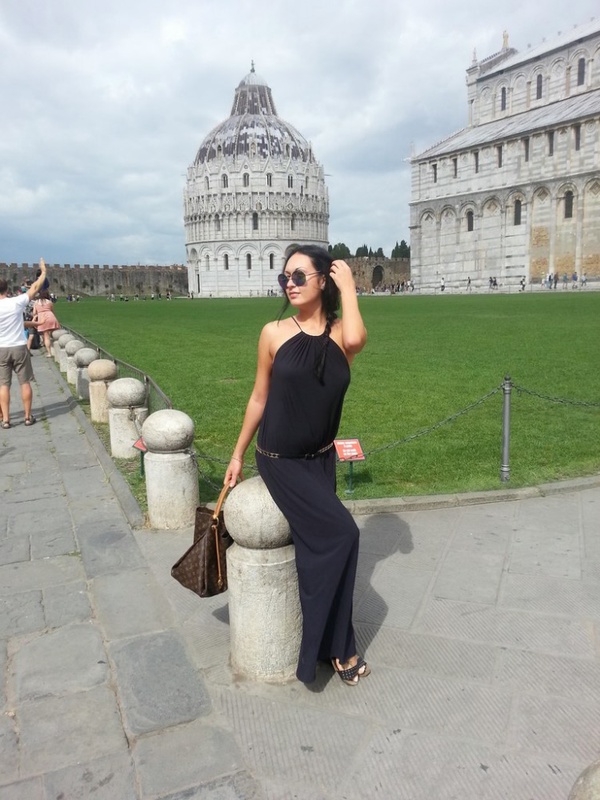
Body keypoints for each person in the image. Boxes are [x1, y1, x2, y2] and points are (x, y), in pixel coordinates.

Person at [224, 244, 369, 686]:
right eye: (285, 277)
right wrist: (237, 454)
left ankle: (327, 644)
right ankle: (338, 647)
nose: (289, 283)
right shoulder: (273, 332)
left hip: (321, 460)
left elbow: (356, 340)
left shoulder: (342, 333)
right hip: (280, 460)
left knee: (316, 554)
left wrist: (349, 288)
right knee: (343, 535)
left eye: (300, 276)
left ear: (324, 280)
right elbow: (259, 397)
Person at [0, 258, 48, 428]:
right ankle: (27, 417)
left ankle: (6, 420)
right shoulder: (16, 302)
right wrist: (43, 272)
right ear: (7, 289)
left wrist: (33, 323)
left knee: (3, 385)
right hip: (19, 347)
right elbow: (35, 288)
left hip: (1, 349)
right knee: (24, 382)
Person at [32, 290, 60, 357]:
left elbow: (34, 313)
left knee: (46, 336)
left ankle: (49, 353)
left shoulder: (36, 302)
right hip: (50, 316)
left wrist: (36, 316)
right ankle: (55, 349)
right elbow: (52, 310)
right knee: (52, 333)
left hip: (42, 318)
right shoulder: (49, 302)